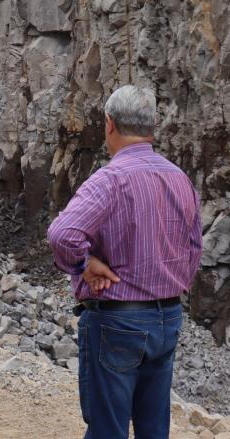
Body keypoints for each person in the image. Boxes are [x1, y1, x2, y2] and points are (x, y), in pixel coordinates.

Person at [47, 85, 202, 439]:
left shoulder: (111, 179)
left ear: (109, 125)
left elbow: (62, 235)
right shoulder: (180, 179)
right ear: (154, 126)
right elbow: (194, 247)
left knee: (108, 430)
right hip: (168, 318)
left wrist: (84, 264)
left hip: (119, 320)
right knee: (153, 428)